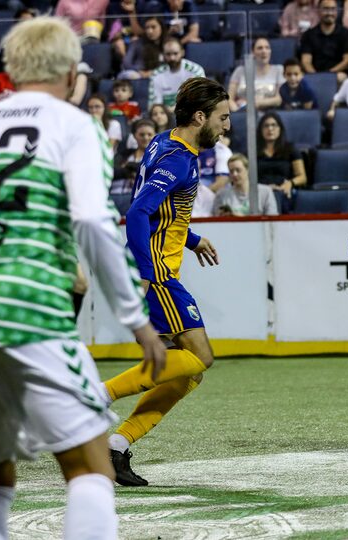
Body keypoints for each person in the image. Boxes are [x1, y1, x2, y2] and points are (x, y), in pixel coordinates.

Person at [0, 16, 166, 539]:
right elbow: (92, 222)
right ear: (73, 72)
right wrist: (135, 320)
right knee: (91, 466)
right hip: (27, 313)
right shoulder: (75, 125)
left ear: (9, 68)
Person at [104, 77, 229, 486]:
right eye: (222, 118)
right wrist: (148, 272)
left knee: (187, 373)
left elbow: (161, 212)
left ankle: (116, 447)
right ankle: (95, 394)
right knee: (201, 357)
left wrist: (190, 239)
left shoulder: (166, 142)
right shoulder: (179, 159)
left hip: (162, 265)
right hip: (159, 272)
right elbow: (138, 213)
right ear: (200, 117)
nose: (226, 126)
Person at [256, 111, 307, 209]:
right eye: (266, 126)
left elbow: (302, 177)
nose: (270, 129)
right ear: (260, 130)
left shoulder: (290, 149)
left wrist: (290, 183)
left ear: (280, 129)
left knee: (278, 197)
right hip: (260, 192)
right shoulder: (253, 151)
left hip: (283, 191)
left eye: (274, 125)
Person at [299, 0, 348, 84]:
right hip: (314, 74)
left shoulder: (346, 34)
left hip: (337, 74)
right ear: (318, 11)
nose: (329, 13)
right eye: (325, 9)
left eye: (333, 9)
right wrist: (316, 76)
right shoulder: (308, 35)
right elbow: (306, 61)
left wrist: (329, 75)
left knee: (341, 78)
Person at [227, 37, 284, 112]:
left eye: (267, 48)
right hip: (242, 113)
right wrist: (237, 112)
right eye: (260, 48)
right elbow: (228, 98)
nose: (264, 51)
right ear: (253, 52)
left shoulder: (279, 70)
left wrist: (255, 103)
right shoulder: (239, 70)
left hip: (270, 114)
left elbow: (279, 99)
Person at [213, 154, 280, 216]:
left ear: (247, 170)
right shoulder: (221, 195)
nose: (234, 174)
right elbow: (217, 220)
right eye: (231, 171)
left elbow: (272, 219)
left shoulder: (265, 192)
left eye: (238, 170)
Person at [148, 37, 206, 109]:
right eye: (168, 54)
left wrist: (176, 109)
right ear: (163, 55)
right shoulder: (156, 74)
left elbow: (200, 100)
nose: (172, 58)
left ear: (182, 52)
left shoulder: (195, 70)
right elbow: (154, 106)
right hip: (166, 116)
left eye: (175, 53)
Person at [119, 15, 166, 80]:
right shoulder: (136, 43)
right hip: (138, 73)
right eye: (147, 28)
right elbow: (126, 63)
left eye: (153, 27)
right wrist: (140, 71)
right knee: (129, 75)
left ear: (161, 28)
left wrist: (153, 72)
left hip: (159, 73)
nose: (150, 31)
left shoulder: (167, 44)